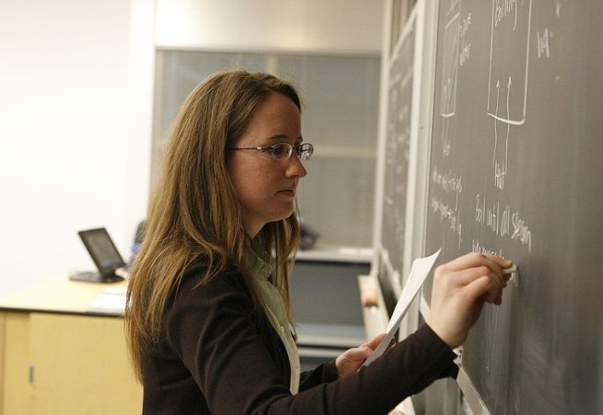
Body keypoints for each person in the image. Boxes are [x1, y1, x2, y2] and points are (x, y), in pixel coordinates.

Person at [125, 69, 512, 414]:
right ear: (213, 157)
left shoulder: (238, 262)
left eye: (297, 148)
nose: (298, 168)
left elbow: (239, 393)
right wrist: (436, 338)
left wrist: (331, 377)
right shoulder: (200, 279)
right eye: (276, 149)